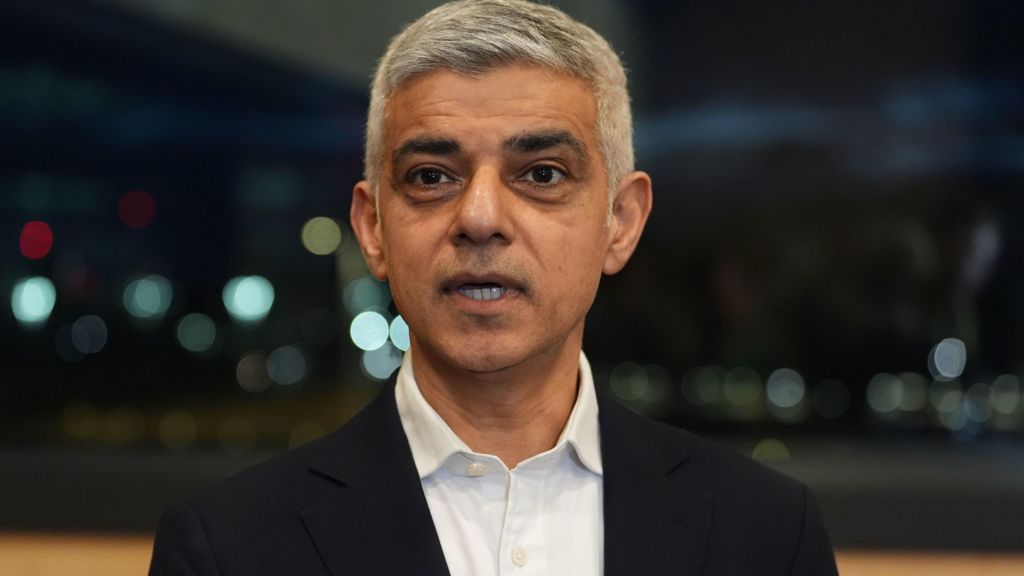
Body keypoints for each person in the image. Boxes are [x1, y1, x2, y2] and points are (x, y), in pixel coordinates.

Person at [149, 1, 839, 574]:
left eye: (541, 174)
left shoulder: (768, 535)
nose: (479, 218)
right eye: (430, 177)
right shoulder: (225, 550)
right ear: (374, 229)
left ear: (621, 223)